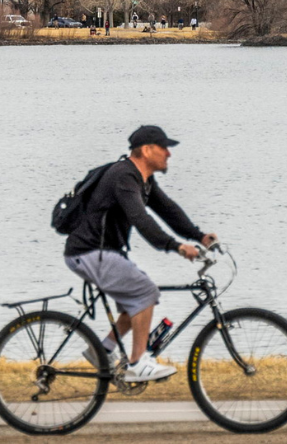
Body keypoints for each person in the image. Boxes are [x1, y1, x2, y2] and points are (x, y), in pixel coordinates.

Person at [63, 125, 216, 382]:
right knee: (145, 293)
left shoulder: (142, 179)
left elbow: (169, 211)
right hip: (90, 252)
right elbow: (140, 219)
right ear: (146, 150)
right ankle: (138, 364)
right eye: (164, 148)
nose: (169, 153)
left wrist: (199, 236)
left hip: (103, 252)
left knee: (135, 304)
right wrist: (176, 246)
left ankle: (102, 350)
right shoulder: (124, 176)